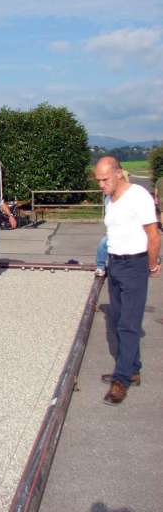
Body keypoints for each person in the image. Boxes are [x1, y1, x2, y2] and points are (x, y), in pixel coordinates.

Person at [95, 156, 161, 405]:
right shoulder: (110, 199)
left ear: (119, 174)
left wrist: (152, 264)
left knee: (128, 324)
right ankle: (132, 368)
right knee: (117, 318)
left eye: (104, 179)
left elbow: (153, 236)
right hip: (116, 262)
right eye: (98, 180)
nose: (101, 184)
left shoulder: (139, 196)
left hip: (135, 264)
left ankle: (121, 380)